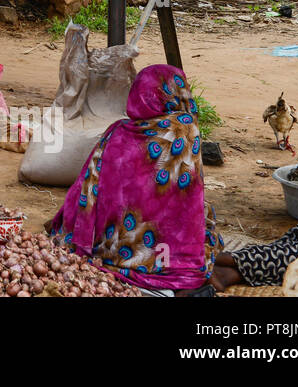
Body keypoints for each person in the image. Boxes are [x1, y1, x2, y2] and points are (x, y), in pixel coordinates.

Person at [47, 64, 222, 294]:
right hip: (164, 256)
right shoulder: (184, 129)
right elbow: (187, 210)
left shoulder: (116, 131)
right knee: (206, 221)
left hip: (109, 248)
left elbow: (86, 189)